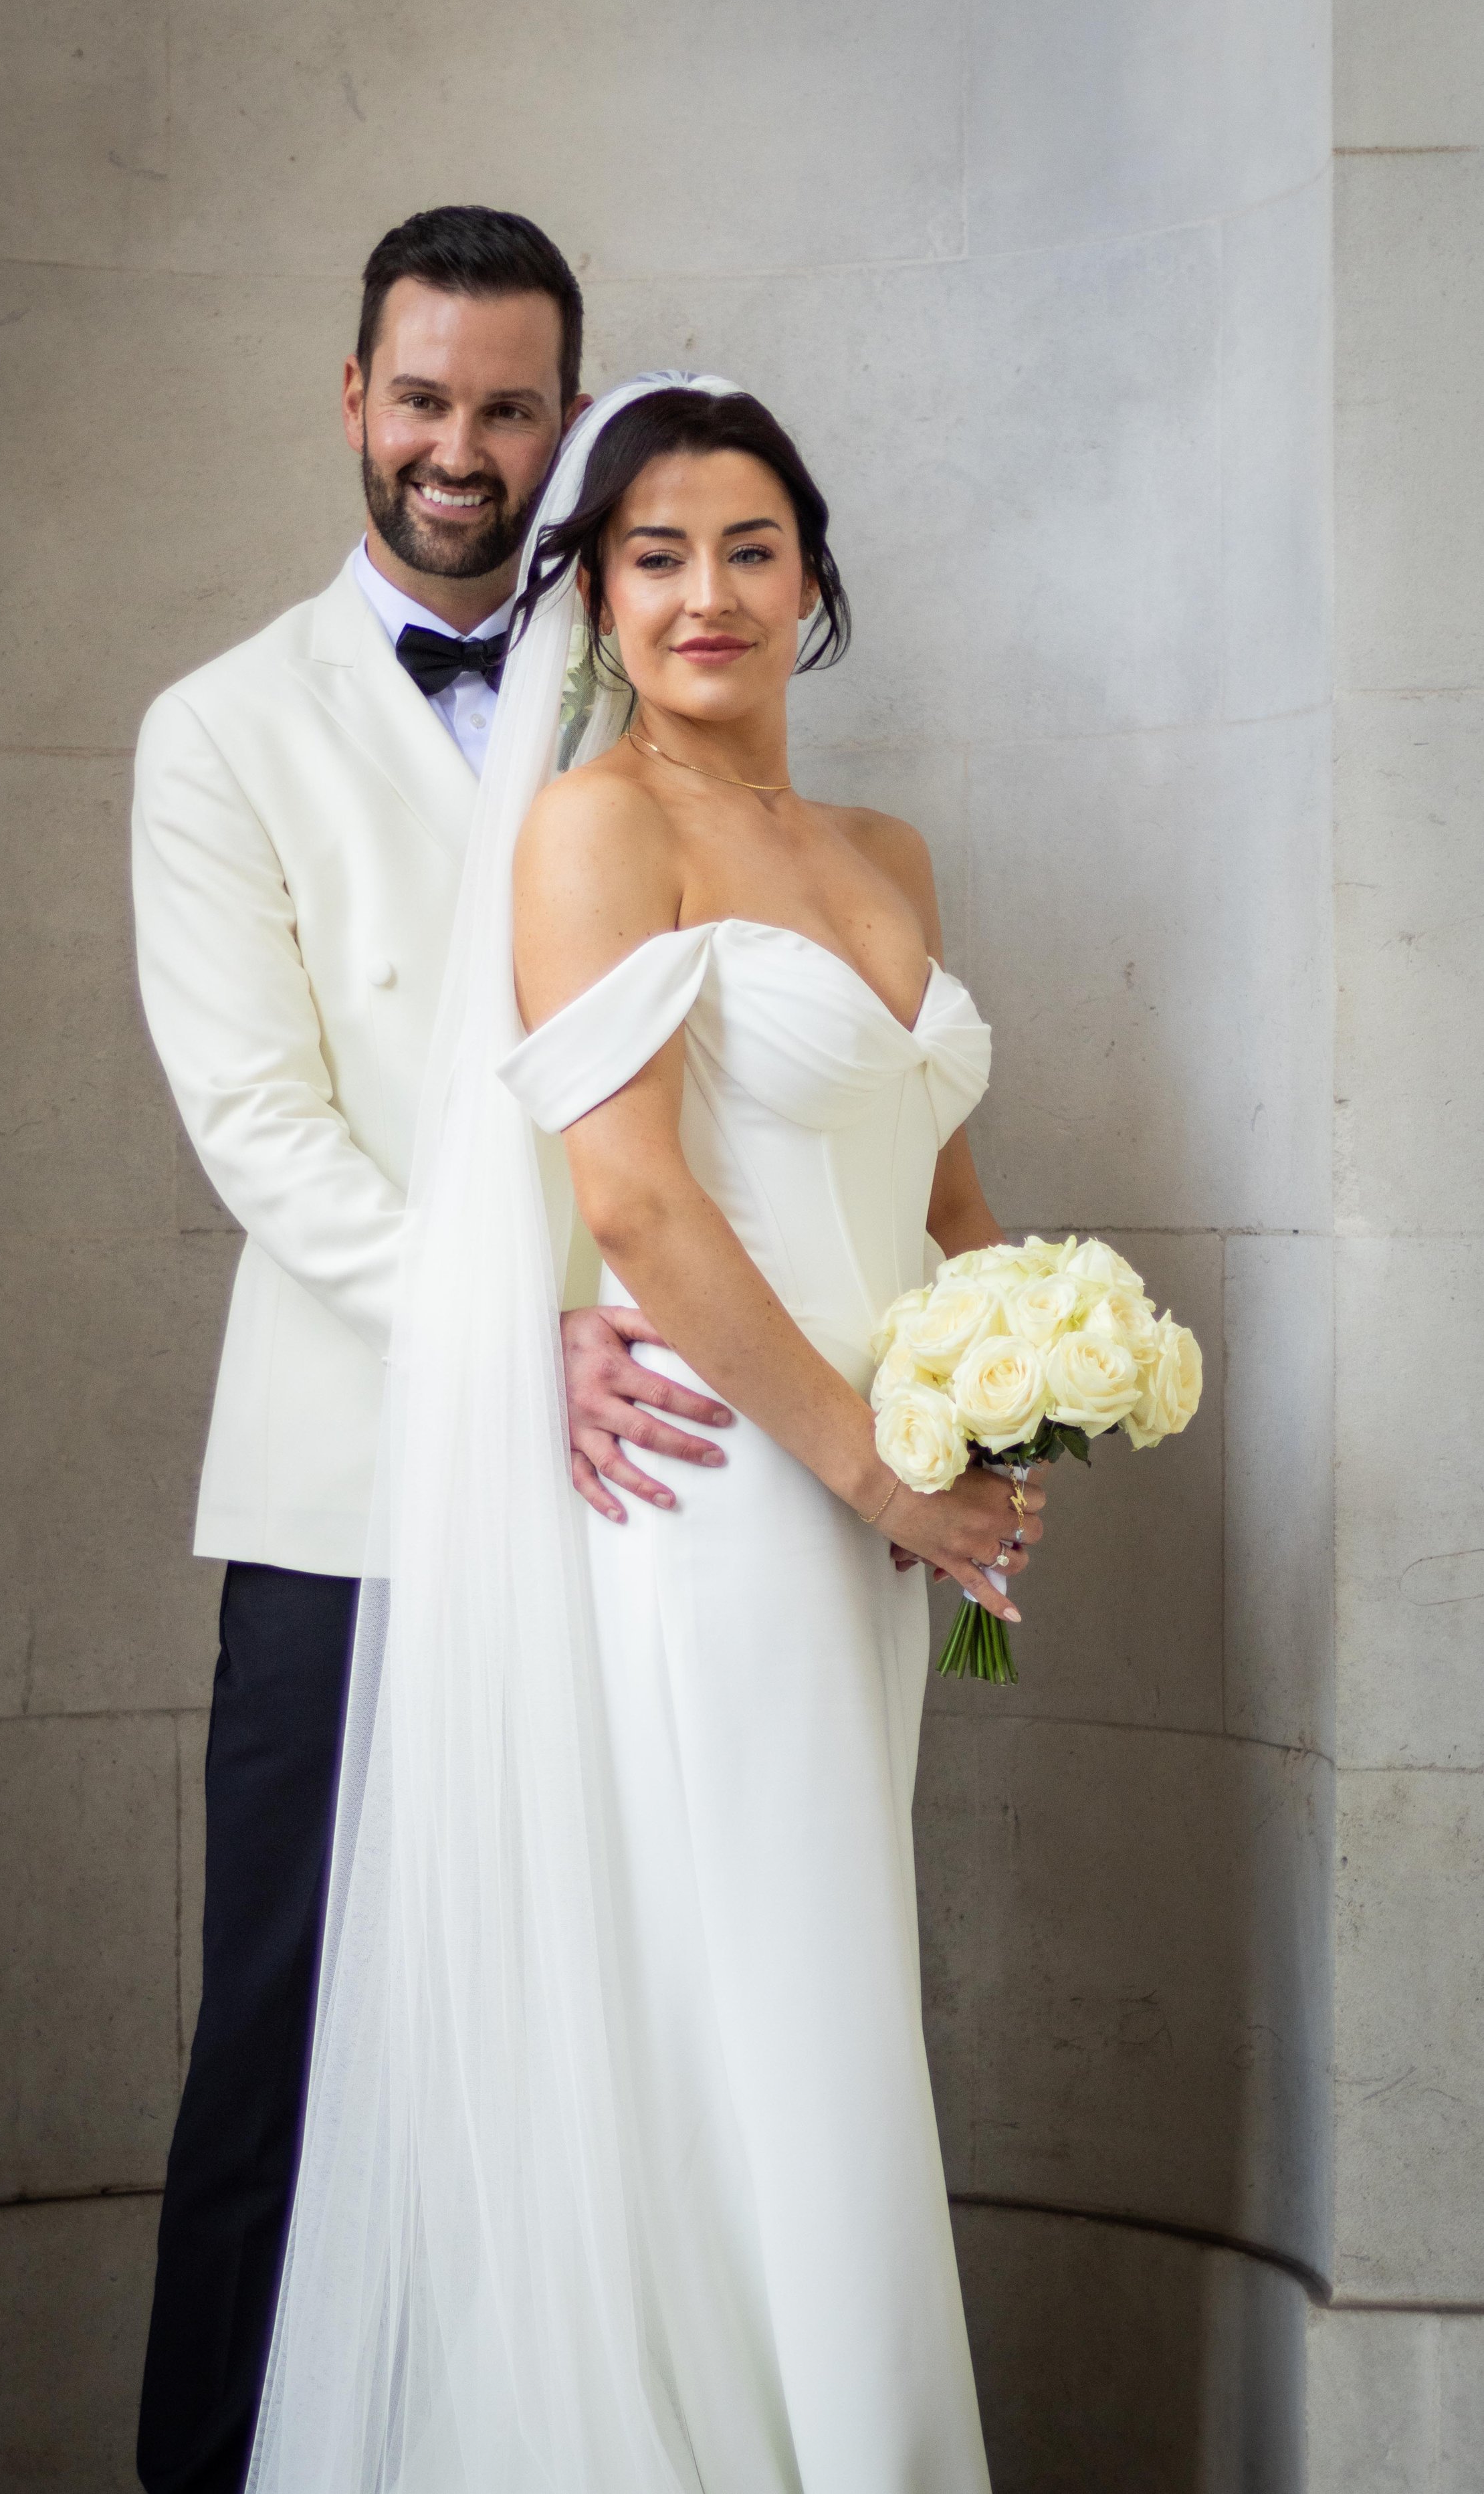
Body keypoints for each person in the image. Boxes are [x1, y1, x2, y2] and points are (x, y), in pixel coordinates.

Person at [247, 379, 1044, 2492]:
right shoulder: (599, 827)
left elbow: (940, 1178)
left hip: (883, 1511)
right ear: (594, 592)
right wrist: (874, 1468)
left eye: (750, 548)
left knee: (803, 1981)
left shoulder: (884, 852)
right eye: (657, 553)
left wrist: (1019, 1367)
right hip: (721, 1482)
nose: (707, 593)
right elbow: (632, 1202)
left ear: (814, 581)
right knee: (768, 1996)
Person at [130, 214, 734, 2494]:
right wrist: (514, 1342)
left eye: (509, 409)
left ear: (563, 421)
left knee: (594, 2049)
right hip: (351, 1479)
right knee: (280, 2051)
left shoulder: (647, 673)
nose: (460, 451)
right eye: (423, 399)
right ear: (350, 398)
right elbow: (263, 1129)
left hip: (633, 1466)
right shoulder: (222, 725)